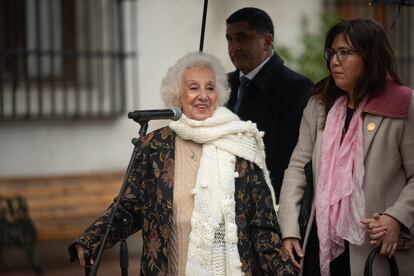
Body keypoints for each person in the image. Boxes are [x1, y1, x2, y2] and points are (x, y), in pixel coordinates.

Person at [68, 52, 296, 275]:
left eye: (210, 87)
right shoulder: (154, 146)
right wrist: (91, 240)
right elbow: (128, 207)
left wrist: (282, 269)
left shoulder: (240, 146)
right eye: (193, 87)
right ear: (177, 96)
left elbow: (262, 225)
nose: (203, 96)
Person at [278, 18, 414, 276]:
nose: (334, 60)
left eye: (345, 52)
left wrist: (397, 217)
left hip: (373, 248)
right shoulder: (320, 104)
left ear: (370, 56)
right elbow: (297, 168)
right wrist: (289, 229)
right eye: (332, 52)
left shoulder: (402, 104)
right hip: (319, 244)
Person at [225, 7, 313, 200]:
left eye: (241, 38)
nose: (234, 47)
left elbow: (293, 161)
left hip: (270, 204)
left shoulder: (296, 88)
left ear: (266, 41)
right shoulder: (220, 86)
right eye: (229, 39)